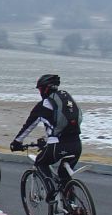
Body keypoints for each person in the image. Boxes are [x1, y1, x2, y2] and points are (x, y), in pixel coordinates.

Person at [9, 73, 82, 202]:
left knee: (40, 162)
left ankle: (51, 192)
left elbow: (28, 126)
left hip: (58, 146)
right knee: (64, 175)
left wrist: (16, 142)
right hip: (76, 144)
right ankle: (74, 209)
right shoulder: (66, 100)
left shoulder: (44, 105)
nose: (40, 92)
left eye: (40, 89)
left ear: (45, 89)